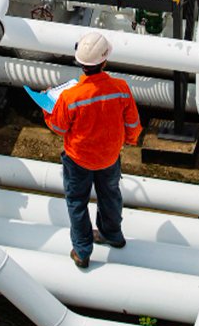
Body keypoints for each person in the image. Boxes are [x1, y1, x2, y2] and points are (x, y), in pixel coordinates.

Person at [43, 31, 142, 269]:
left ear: (80, 63)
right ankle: (112, 235)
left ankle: (82, 251)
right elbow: (133, 123)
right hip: (109, 157)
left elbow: (58, 126)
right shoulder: (120, 88)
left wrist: (48, 107)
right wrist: (129, 140)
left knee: (77, 203)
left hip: (79, 160)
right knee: (110, 195)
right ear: (104, 61)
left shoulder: (71, 96)